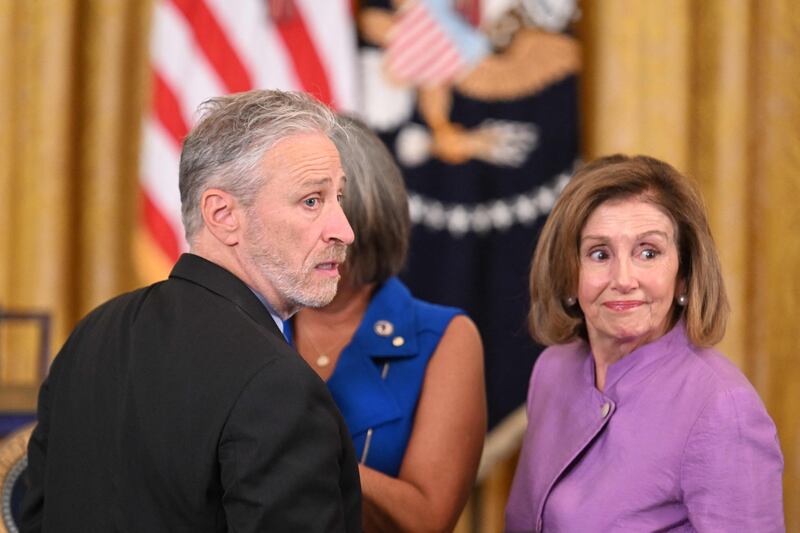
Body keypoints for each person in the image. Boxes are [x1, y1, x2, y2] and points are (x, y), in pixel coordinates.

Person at [20, 90, 362, 532]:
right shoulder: (277, 385)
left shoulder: (94, 333)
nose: (345, 230)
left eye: (339, 197)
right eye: (312, 201)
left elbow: (35, 517)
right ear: (222, 215)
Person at [505, 155, 784, 532]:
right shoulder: (553, 369)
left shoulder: (723, 408)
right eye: (599, 254)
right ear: (569, 275)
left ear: (683, 276)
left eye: (648, 252)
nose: (623, 278)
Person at [284, 116, 486, 532]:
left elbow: (427, 520)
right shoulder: (249, 323)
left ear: (370, 217)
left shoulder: (443, 337)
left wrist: (304, 454)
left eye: (331, 210)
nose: (319, 234)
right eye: (305, 208)